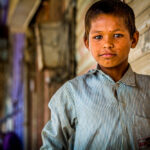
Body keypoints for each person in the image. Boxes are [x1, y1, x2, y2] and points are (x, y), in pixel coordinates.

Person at [40, 0, 150, 149]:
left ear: (134, 39)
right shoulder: (72, 93)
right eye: (98, 37)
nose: (107, 44)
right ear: (87, 43)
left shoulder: (147, 89)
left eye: (117, 35)